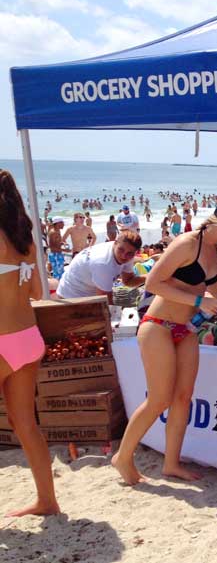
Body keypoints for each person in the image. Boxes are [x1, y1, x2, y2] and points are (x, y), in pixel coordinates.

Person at [112, 200, 217, 485]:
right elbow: (153, 283)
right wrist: (196, 300)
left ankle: (171, 464)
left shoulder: (215, 251)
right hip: (158, 327)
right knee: (159, 399)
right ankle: (122, 456)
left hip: (185, 330)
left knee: (183, 398)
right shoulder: (187, 243)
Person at [0, 170, 59, 516]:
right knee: (26, 425)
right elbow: (38, 292)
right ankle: (47, 501)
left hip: (2, 339)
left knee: (24, 424)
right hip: (28, 338)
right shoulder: (25, 241)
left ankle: (47, 501)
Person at [56, 232, 145, 302]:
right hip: (71, 296)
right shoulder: (103, 263)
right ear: (115, 243)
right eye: (121, 250)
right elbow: (105, 301)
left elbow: (128, 281)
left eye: (130, 253)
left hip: (92, 292)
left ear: (136, 252)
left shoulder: (125, 250)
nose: (124, 256)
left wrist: (150, 276)